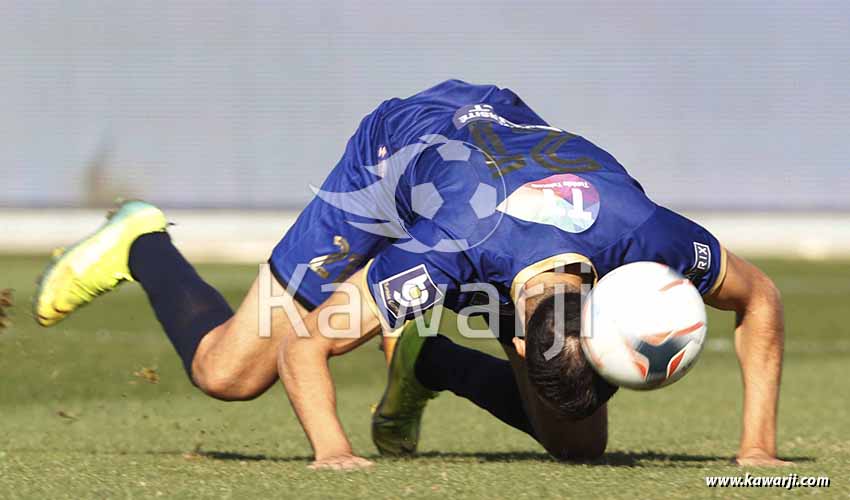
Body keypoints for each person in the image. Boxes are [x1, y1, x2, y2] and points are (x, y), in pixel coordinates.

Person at [34, 80, 787, 470]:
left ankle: (429, 356)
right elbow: (305, 343)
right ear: (517, 347)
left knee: (579, 446)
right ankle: (139, 240)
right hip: (395, 157)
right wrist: (332, 452)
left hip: (500, 132)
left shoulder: (647, 234)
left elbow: (760, 299)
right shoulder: (440, 252)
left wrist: (755, 449)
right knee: (229, 373)